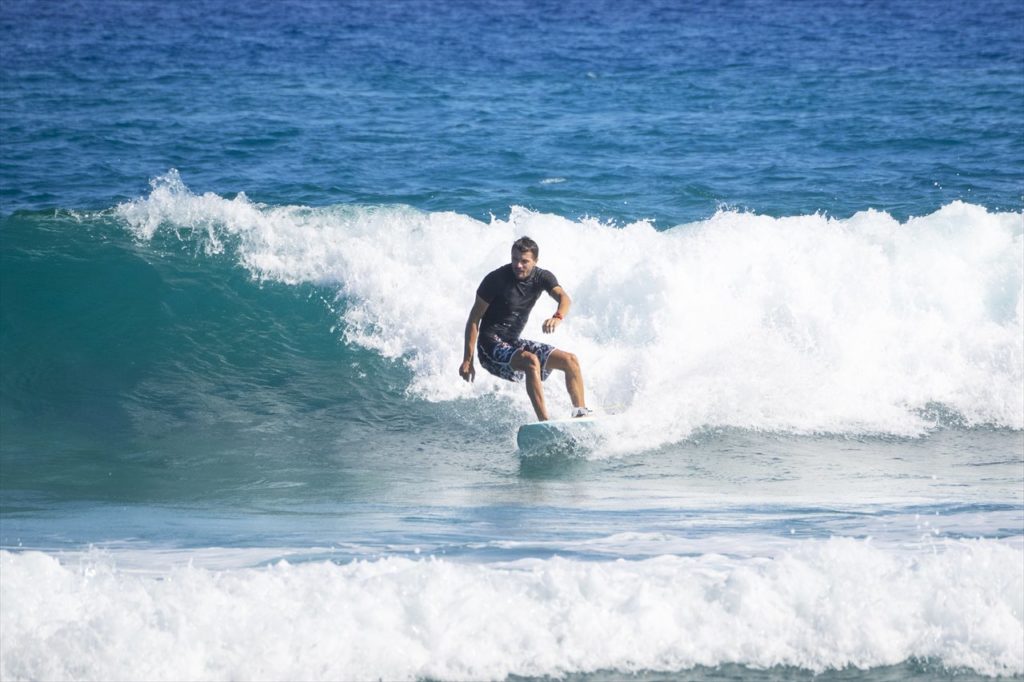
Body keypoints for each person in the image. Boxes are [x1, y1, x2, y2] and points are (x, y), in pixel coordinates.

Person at [459, 236, 590, 421]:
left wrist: (557, 316)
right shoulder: (495, 279)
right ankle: (545, 423)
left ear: (535, 261)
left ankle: (581, 414)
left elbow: (564, 298)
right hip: (489, 347)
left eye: (524, 261)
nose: (518, 265)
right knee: (531, 360)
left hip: (512, 343)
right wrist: (467, 360)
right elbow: (474, 320)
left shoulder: (542, 277)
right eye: (514, 259)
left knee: (570, 360)